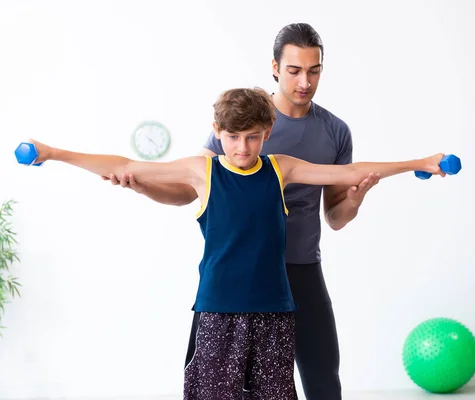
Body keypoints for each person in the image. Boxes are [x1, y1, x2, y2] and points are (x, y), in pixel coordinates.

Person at [24, 87, 447, 399]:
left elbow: (348, 172)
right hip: (218, 312)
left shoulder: (280, 169)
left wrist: (417, 165)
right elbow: (125, 164)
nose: (241, 148)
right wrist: (53, 153)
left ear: (267, 132)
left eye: (251, 137)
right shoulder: (202, 170)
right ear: (217, 132)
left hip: (274, 313)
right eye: (231, 137)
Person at [104, 23, 379, 399]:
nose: (304, 82)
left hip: (300, 267)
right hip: (237, 278)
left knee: (322, 380)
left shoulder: (334, 131)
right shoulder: (243, 123)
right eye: (295, 70)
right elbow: (191, 191)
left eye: (313, 71)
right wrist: (144, 186)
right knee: (221, 386)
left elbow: (335, 217)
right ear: (275, 67)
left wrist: (356, 198)